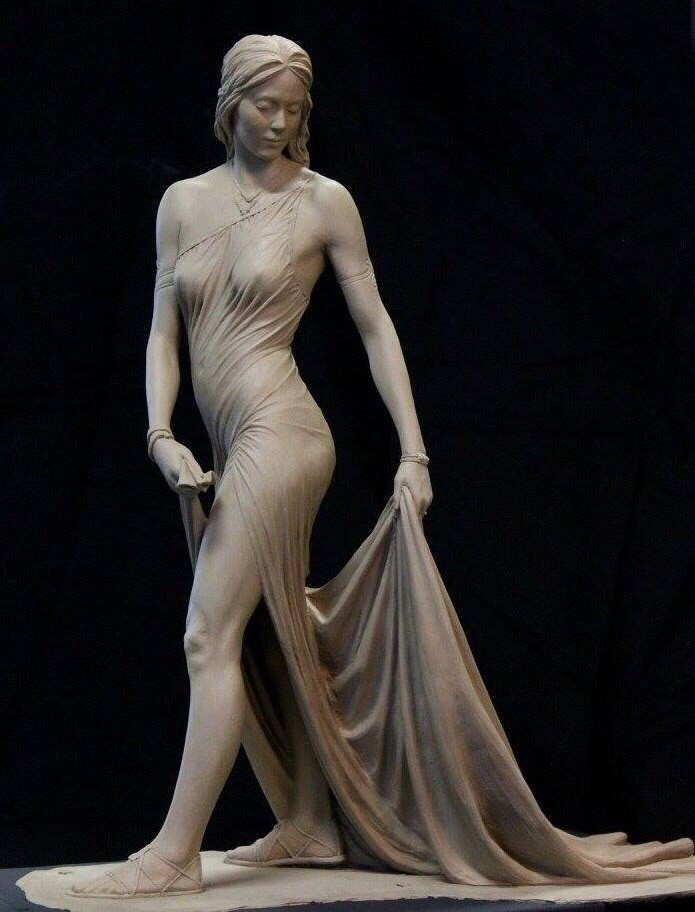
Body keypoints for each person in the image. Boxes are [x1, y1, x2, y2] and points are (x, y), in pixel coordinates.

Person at [70, 33, 695, 899]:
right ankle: (308, 822)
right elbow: (161, 331)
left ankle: (175, 852)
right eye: (264, 106)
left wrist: (412, 451)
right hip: (219, 446)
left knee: (208, 634)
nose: (278, 123)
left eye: (293, 110)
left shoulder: (323, 202)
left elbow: (375, 328)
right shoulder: (181, 203)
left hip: (285, 435)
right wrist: (158, 434)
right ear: (230, 103)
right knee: (264, 635)